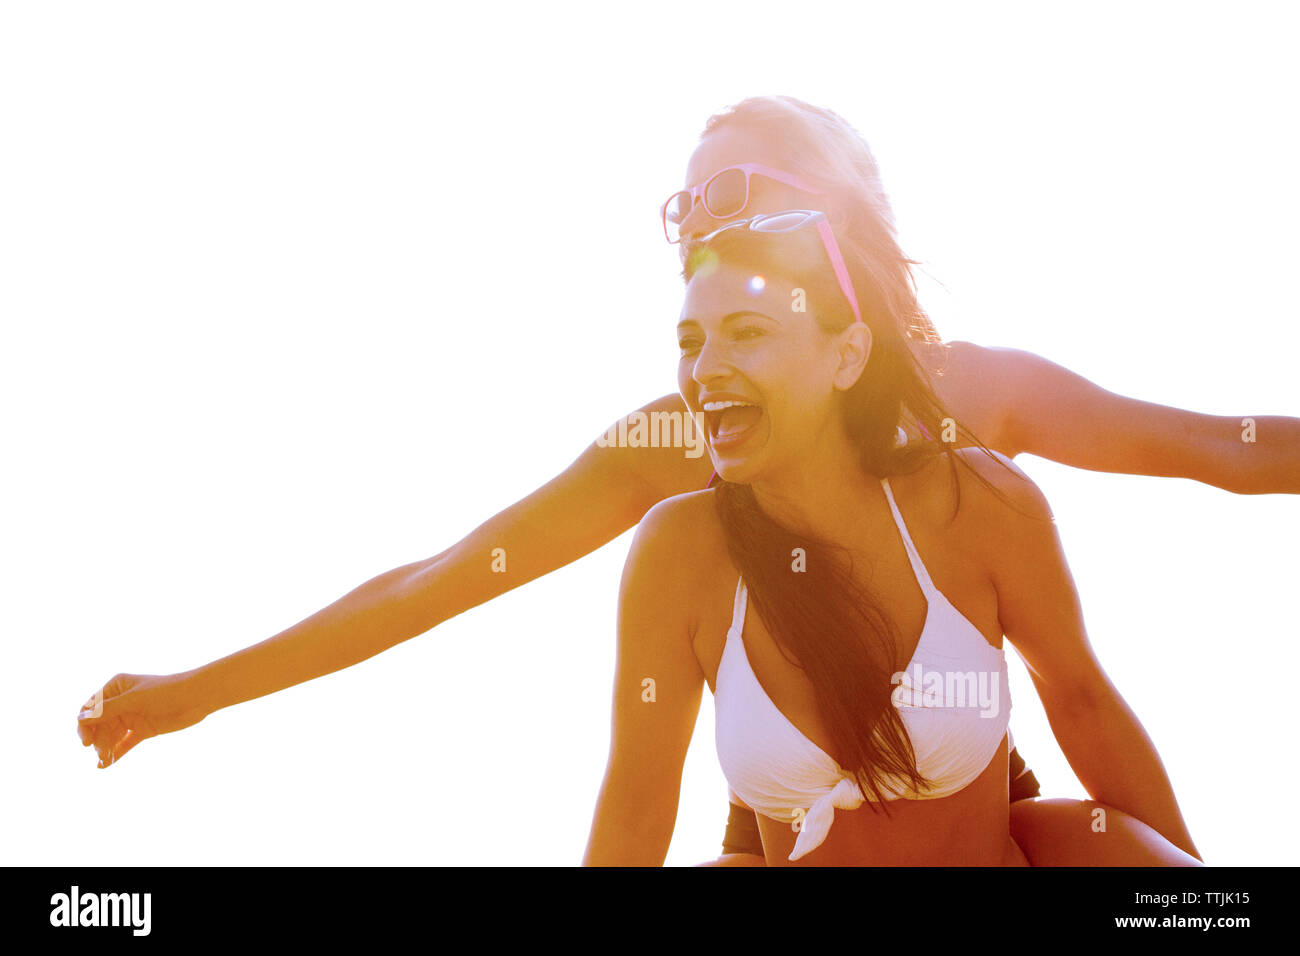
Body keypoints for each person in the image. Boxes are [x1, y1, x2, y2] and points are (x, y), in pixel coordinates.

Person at [78, 95, 1292, 864]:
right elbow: (448, 577)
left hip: (965, 793)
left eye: (736, 184)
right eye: (685, 203)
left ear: (838, 211)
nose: (699, 218)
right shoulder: (673, 450)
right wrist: (196, 691)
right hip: (768, 821)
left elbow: (1212, 448)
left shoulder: (968, 398)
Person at [583, 212, 1201, 866]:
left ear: (847, 354)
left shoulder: (979, 502)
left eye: (746, 333)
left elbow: (1083, 704)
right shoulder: (678, 551)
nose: (705, 369)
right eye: (691, 341)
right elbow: (635, 806)